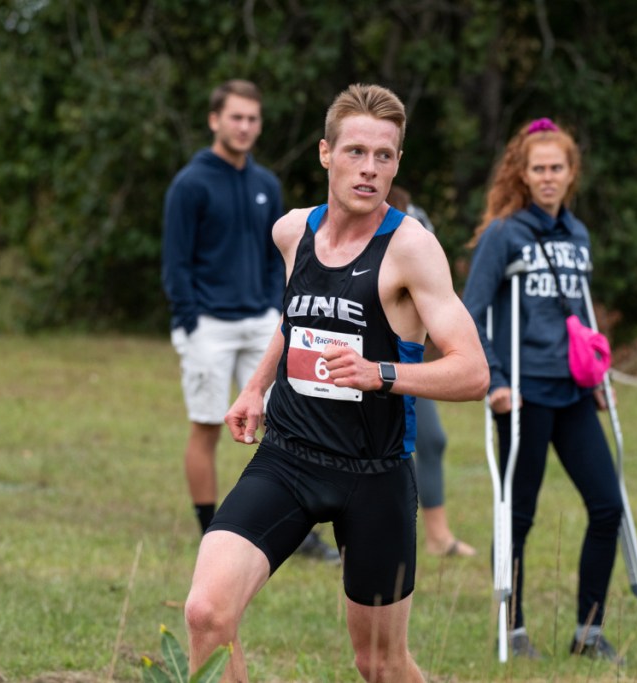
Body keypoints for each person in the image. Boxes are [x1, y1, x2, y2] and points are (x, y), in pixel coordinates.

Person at [183, 84, 489, 682]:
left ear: (397, 163)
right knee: (205, 613)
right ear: (326, 153)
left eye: (384, 155)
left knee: (379, 664)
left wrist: (383, 375)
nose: (369, 168)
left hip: (373, 474)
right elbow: (297, 313)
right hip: (288, 458)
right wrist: (255, 387)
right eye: (355, 152)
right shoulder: (292, 231)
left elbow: (473, 370)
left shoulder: (412, 250)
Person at [461, 117, 625, 663]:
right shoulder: (504, 234)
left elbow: (580, 313)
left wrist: (598, 376)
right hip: (524, 395)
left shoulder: (577, 235)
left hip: (574, 392)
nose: (549, 177)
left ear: (571, 172)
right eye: (539, 169)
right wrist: (496, 381)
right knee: (519, 515)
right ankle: (514, 628)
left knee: (608, 506)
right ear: (523, 174)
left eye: (557, 168)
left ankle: (589, 632)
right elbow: (471, 313)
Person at [162, 79, 338, 562]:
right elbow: (176, 262)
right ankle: (210, 528)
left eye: (252, 118)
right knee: (208, 426)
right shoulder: (191, 183)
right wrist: (191, 319)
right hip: (208, 327)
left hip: (262, 320)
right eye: (235, 117)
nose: (244, 127)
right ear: (214, 120)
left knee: (287, 421)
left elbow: (273, 254)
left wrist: (273, 305)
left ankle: (297, 530)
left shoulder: (265, 184)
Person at [385, 185, 475, 558]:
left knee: (431, 439)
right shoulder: (334, 217)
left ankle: (438, 535)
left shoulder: (416, 217)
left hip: (405, 360)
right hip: (350, 360)